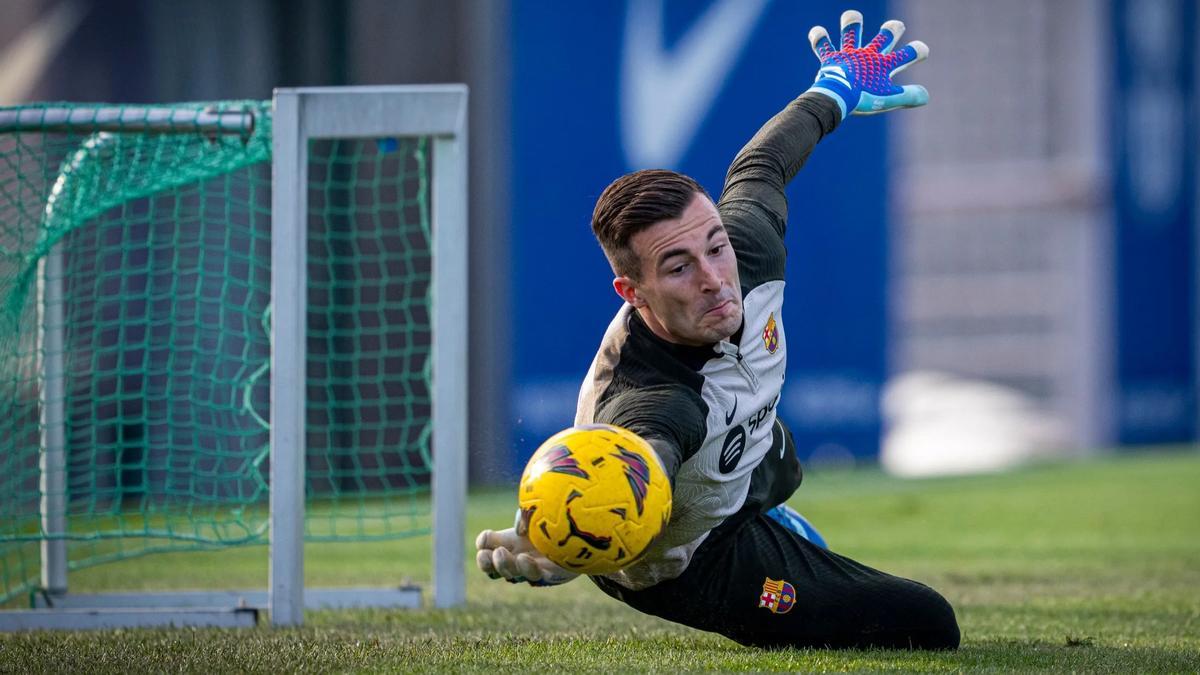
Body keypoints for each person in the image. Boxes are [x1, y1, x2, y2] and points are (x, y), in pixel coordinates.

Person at [477, 10, 959, 650]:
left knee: (777, 456)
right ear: (633, 293)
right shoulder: (655, 398)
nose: (714, 278)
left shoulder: (745, 250)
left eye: (714, 246)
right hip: (687, 556)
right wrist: (575, 540)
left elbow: (761, 167)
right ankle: (769, 547)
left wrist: (833, 90)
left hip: (743, 458)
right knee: (926, 623)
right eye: (678, 267)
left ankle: (768, 509)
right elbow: (645, 453)